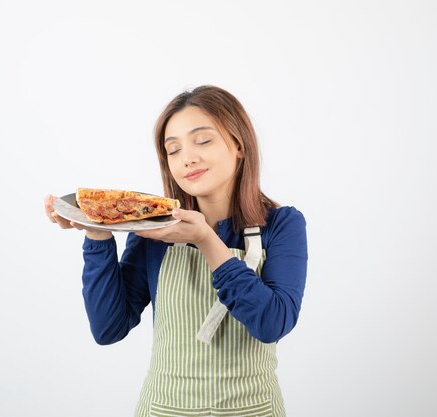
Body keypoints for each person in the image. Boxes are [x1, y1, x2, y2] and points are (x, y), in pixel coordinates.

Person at [44, 85, 308, 417]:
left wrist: (207, 241)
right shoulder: (153, 229)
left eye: (203, 141)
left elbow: (272, 323)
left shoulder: (282, 225)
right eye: (173, 149)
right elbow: (108, 328)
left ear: (238, 145)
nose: (188, 158)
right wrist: (99, 235)